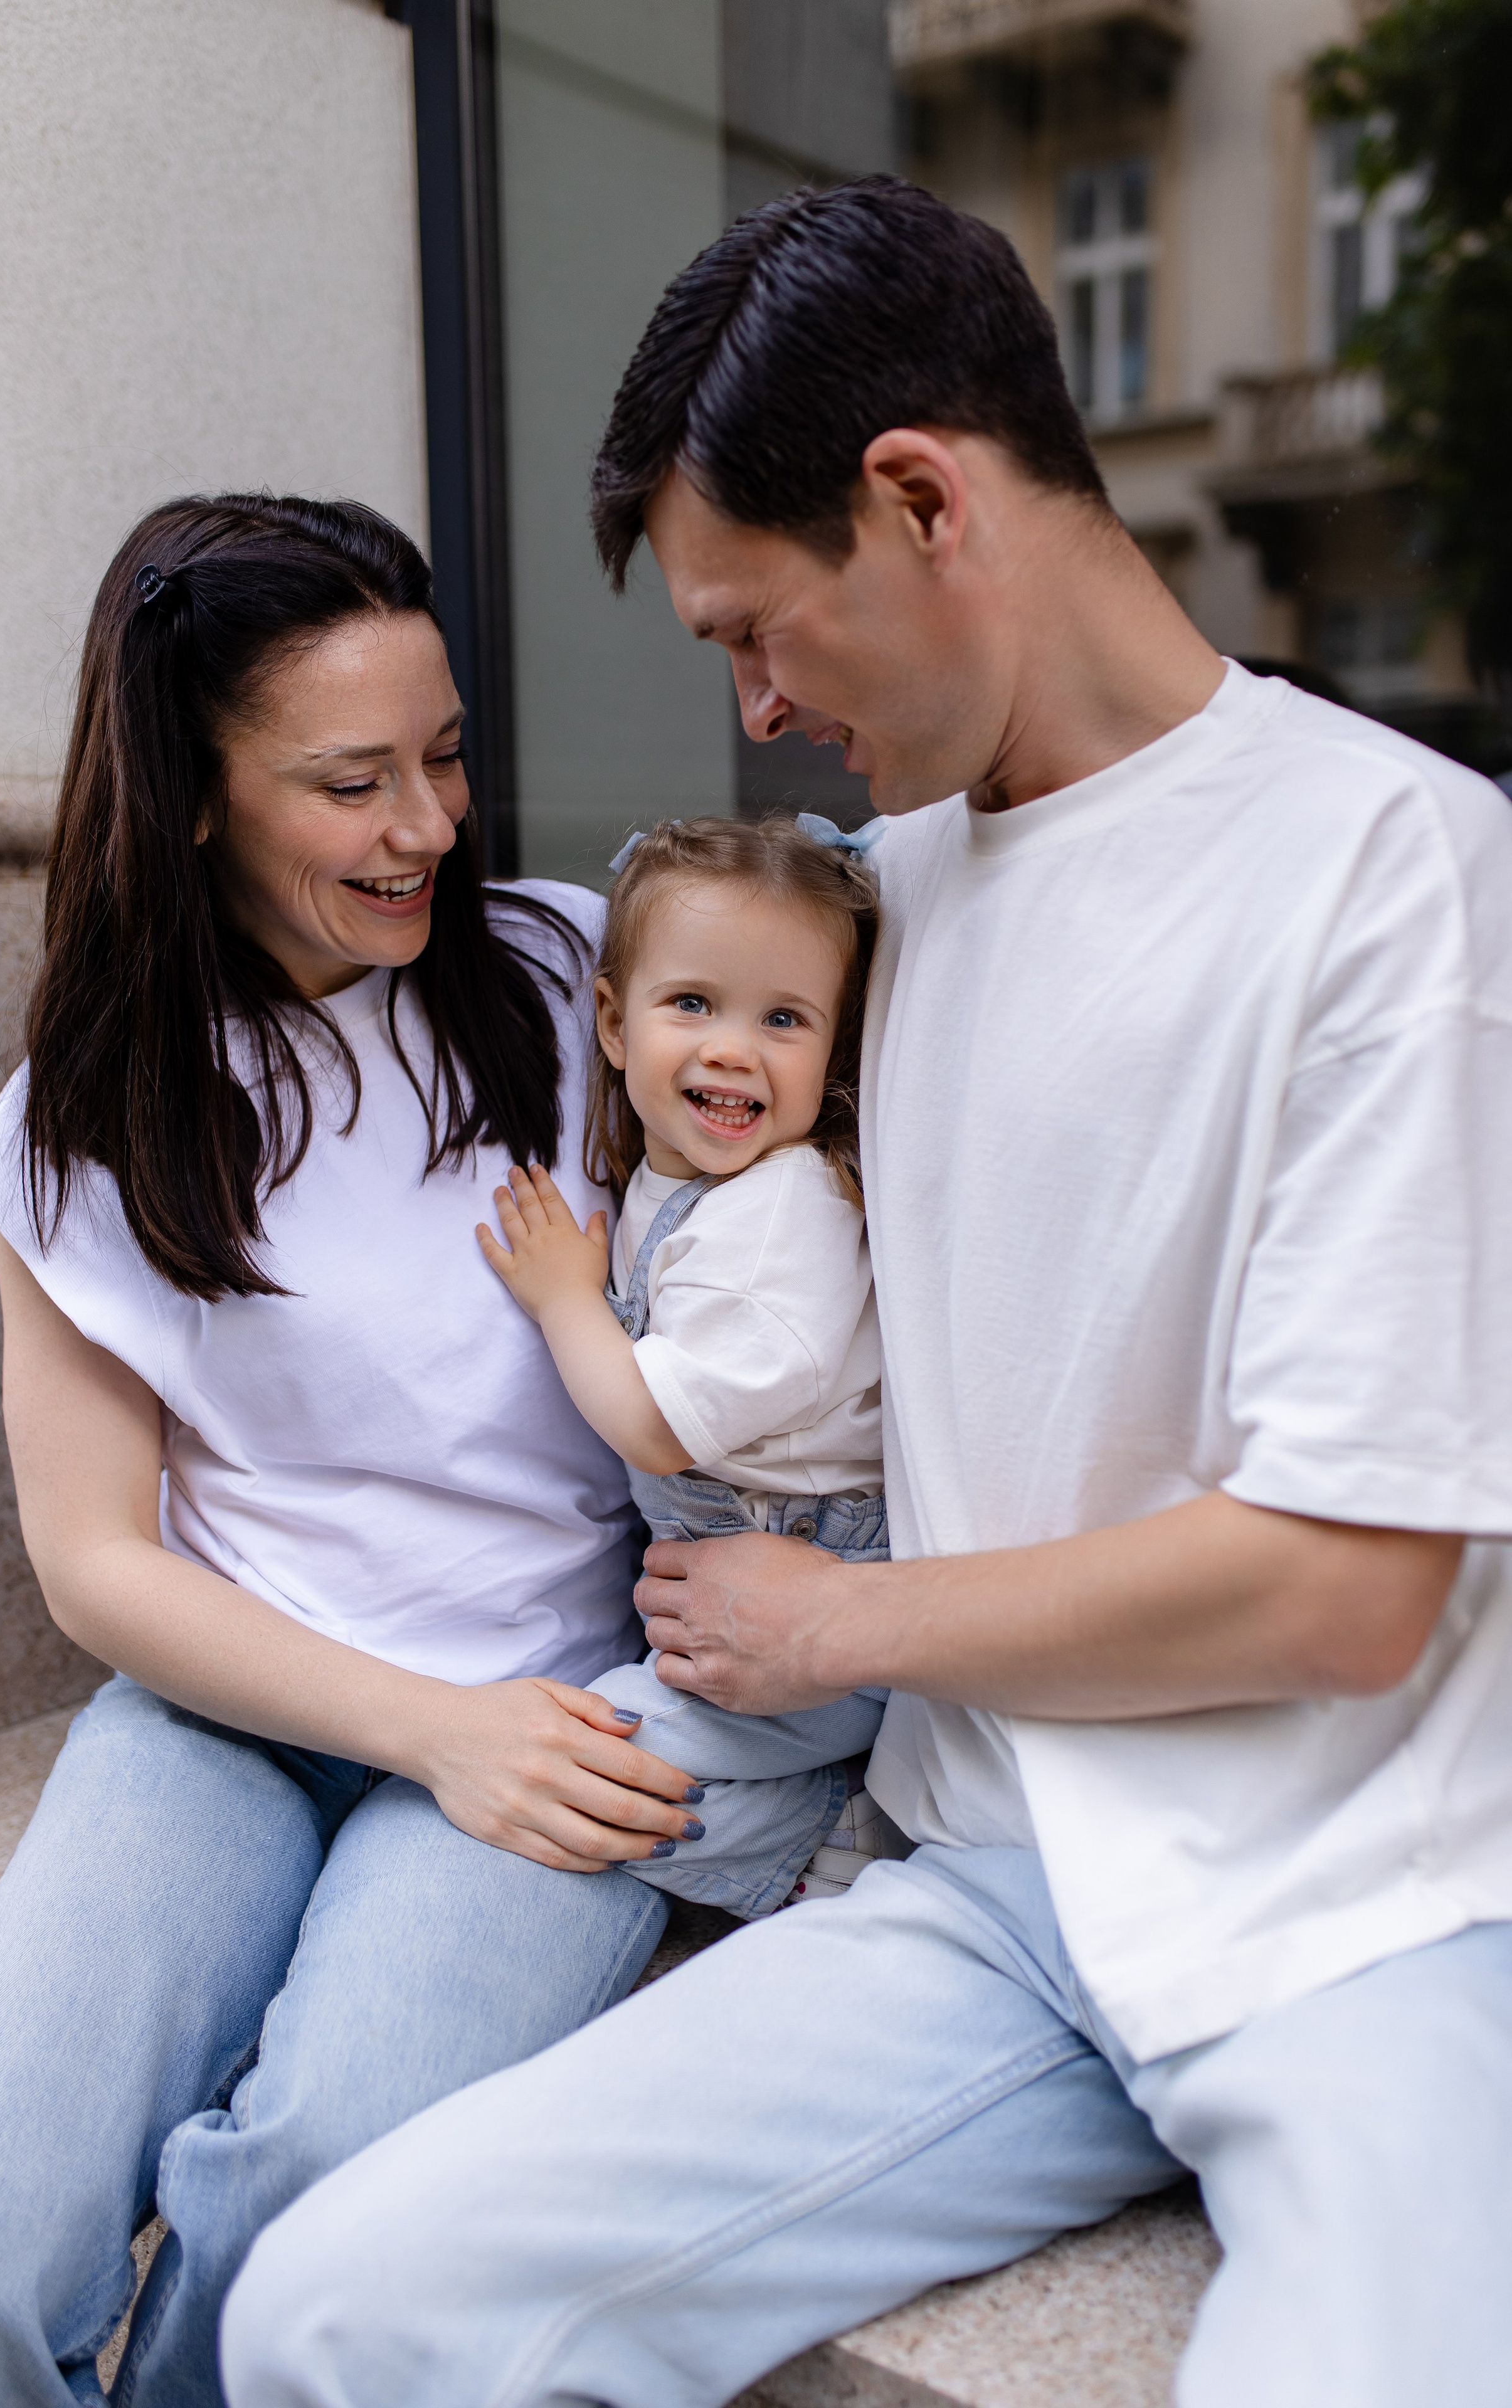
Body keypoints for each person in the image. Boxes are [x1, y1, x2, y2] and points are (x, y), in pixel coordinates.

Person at [221, 183, 1512, 2408]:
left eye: (756, 629)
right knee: (341, 2317)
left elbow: (1352, 1589)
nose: (750, 706)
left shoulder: (1397, 871)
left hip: (1359, 1900)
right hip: (981, 1887)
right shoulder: (869, 915)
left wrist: (842, 1629)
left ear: (919, 500)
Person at [0, 494, 715, 2407]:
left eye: (447, 756)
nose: (431, 824)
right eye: (355, 781)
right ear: (194, 796)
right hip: (235, 1714)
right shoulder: (87, 1123)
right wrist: (417, 1725)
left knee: (312, 2198)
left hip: (547, 1720)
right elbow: (95, 1561)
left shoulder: (573, 981)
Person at [479, 814, 896, 1915]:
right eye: (694, 1004)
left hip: (808, 1619)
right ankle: (819, 1806)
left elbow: (658, 1428)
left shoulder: (779, 1216)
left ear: (834, 1050)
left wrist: (567, 1299)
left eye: (785, 1019)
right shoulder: (686, 1184)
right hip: (728, 1602)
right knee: (561, 1768)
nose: (731, 1048)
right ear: (613, 1024)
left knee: (571, 1767)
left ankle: (823, 1835)